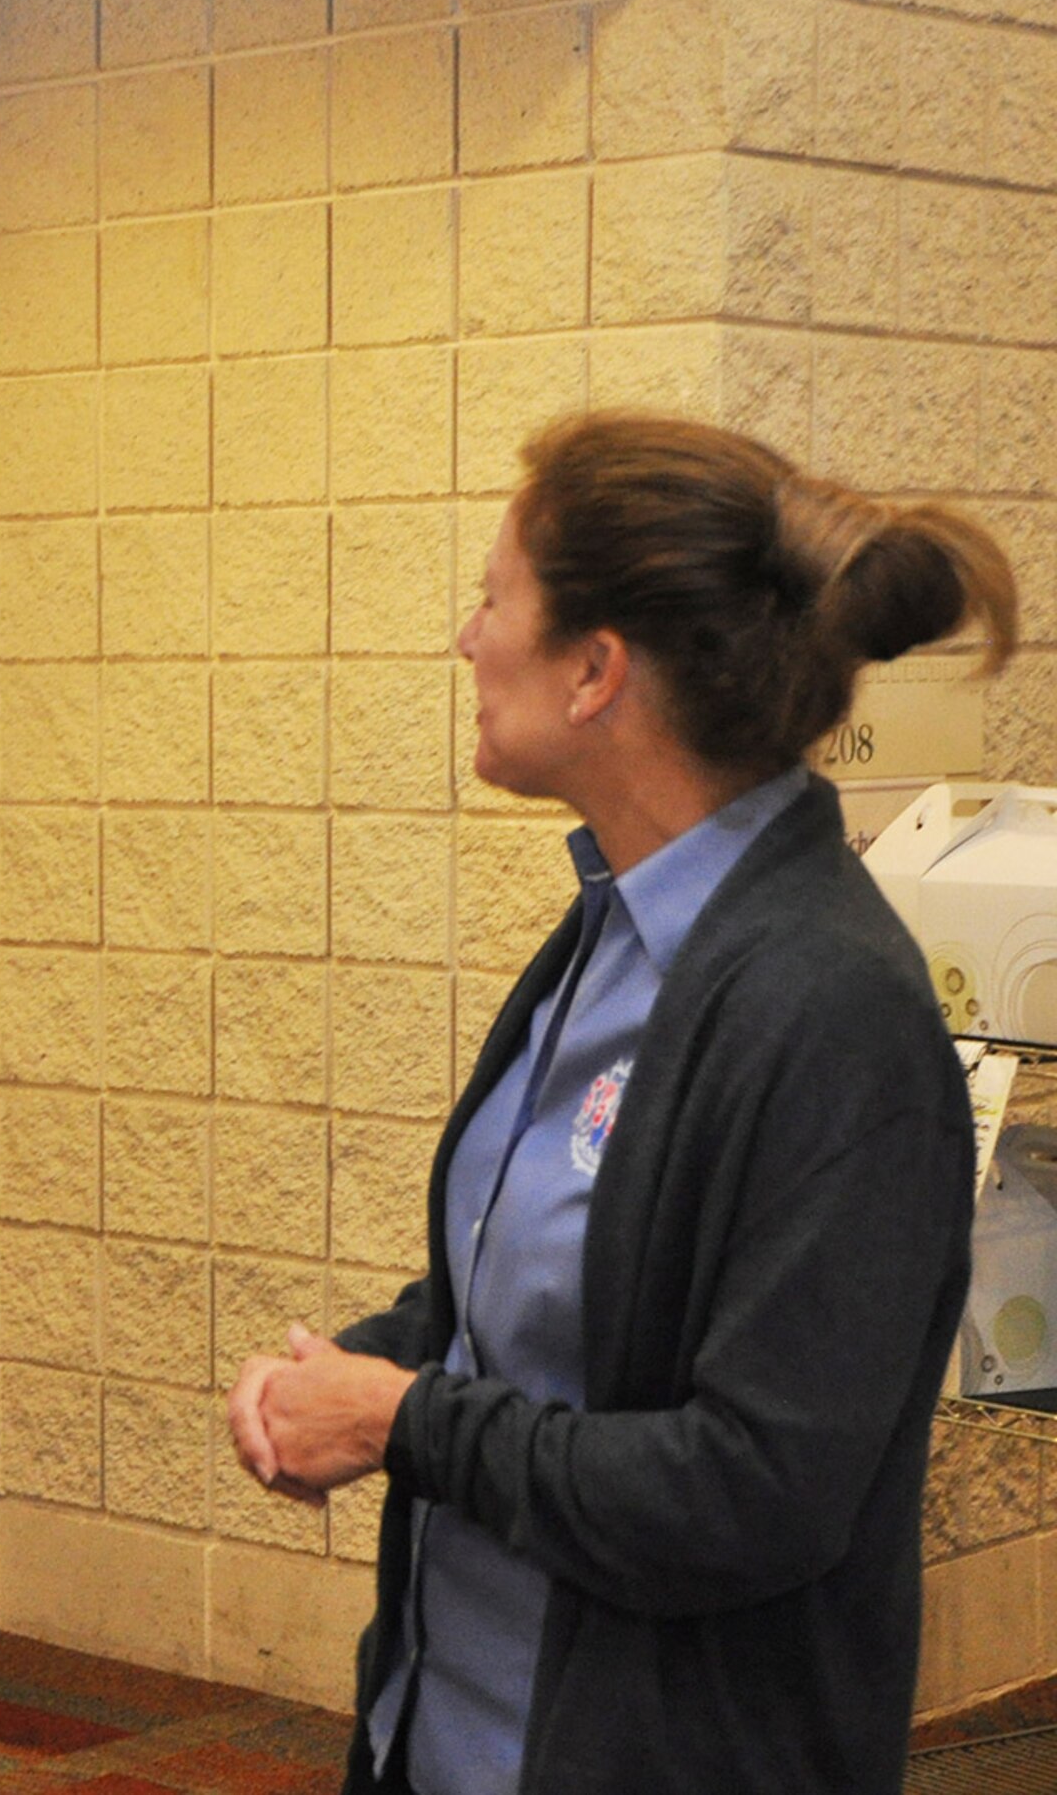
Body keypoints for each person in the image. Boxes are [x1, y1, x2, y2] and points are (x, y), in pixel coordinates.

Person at [229, 412, 1017, 1795]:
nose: (466, 641)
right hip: (453, 1732)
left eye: (493, 600)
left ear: (596, 669)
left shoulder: (832, 1013)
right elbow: (549, 1307)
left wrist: (399, 1420)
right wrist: (353, 1369)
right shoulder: (612, 930)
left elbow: (753, 1490)